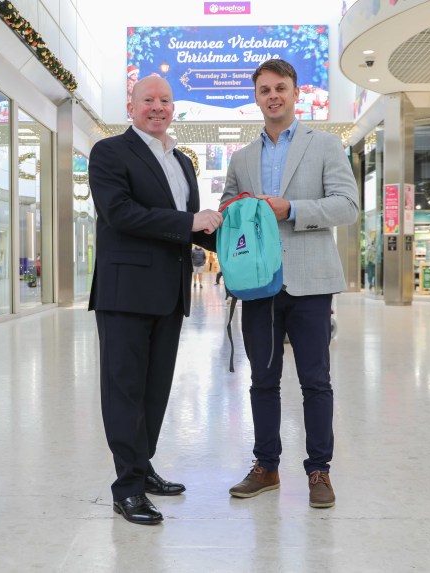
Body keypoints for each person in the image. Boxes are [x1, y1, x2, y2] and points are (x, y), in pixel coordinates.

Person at [220, 59, 360, 509]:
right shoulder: (242, 158)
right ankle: (266, 466)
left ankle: (319, 470)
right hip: (257, 284)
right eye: (264, 89)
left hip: (310, 283)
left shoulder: (326, 146)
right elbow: (227, 211)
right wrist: (234, 211)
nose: (273, 96)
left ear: (296, 93)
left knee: (315, 381)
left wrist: (292, 210)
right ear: (256, 97)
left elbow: (346, 206)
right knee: (262, 379)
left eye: (281, 87)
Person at [88, 75, 222, 525]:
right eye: (149, 100)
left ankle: (142, 469)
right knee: (124, 390)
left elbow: (196, 226)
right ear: (132, 106)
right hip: (125, 292)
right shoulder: (109, 152)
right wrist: (188, 224)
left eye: (166, 100)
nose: (158, 107)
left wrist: (247, 238)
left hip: (169, 293)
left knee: (155, 391)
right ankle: (125, 488)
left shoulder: (182, 162)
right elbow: (120, 213)